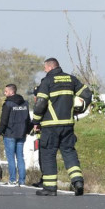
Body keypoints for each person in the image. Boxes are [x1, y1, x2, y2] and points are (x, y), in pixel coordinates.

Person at [31, 57, 93, 196]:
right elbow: (87, 94)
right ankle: (78, 181)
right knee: (69, 152)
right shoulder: (71, 79)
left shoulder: (47, 81)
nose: (44, 70)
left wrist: (35, 121)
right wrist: (80, 110)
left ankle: (50, 188)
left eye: (45, 68)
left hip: (50, 126)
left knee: (48, 154)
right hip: (67, 125)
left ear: (50, 67)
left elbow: (40, 103)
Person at [0, 84, 31, 186]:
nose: (4, 93)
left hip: (10, 134)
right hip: (21, 134)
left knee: (11, 157)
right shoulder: (25, 103)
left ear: (11, 92)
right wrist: (27, 130)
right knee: (20, 157)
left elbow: (4, 120)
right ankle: (22, 181)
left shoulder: (8, 104)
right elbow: (28, 119)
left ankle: (12, 179)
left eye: (6, 91)